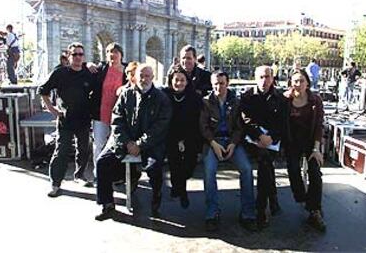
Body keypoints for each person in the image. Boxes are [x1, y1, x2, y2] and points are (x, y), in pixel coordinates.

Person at [95, 64, 172, 220]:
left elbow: (160, 127)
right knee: (102, 162)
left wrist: (140, 144)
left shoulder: (161, 98)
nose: (144, 79)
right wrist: (127, 142)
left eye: (148, 76)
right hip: (124, 142)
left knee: (155, 168)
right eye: (141, 76)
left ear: (153, 77)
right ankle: (107, 204)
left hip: (150, 145)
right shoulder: (126, 95)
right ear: (135, 77)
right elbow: (117, 120)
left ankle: (156, 202)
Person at [200, 70, 256, 232]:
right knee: (209, 170)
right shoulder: (205, 102)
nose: (218, 87)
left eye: (222, 83)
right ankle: (212, 212)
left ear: (227, 84)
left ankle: (247, 213)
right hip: (213, 141)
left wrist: (233, 143)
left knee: (246, 169)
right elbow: (203, 127)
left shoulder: (235, 101)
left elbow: (240, 127)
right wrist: (213, 144)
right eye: (215, 84)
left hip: (232, 141)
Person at [38, 42, 95, 197]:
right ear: (68, 56)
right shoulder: (60, 73)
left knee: (83, 150)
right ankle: (55, 183)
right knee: (61, 151)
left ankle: (79, 175)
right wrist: (51, 108)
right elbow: (43, 90)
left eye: (80, 54)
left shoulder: (88, 74)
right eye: (74, 54)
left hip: (83, 119)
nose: (77, 57)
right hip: (65, 119)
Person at [240, 65, 288, 230]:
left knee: (265, 160)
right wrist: (259, 136)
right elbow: (246, 121)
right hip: (252, 140)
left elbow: (282, 124)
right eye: (261, 77)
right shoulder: (247, 96)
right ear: (255, 78)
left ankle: (261, 207)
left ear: (272, 78)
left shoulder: (280, 98)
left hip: (272, 142)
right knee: (265, 159)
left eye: (267, 77)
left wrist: (271, 138)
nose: (264, 80)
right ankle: (269, 202)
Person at [284, 69, 326, 232]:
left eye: (301, 81)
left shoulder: (315, 100)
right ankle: (303, 198)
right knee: (293, 170)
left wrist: (316, 148)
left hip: (310, 142)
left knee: (315, 172)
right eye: (295, 81)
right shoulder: (285, 100)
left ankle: (314, 210)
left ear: (307, 82)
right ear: (291, 83)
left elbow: (319, 126)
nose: (298, 84)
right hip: (292, 142)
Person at [162, 65, 202, 209]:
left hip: (190, 135)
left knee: (189, 166)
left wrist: (184, 140)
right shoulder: (164, 95)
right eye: (176, 80)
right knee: (174, 162)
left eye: (182, 80)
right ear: (171, 80)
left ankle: (179, 185)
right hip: (170, 135)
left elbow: (197, 121)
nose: (179, 83)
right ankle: (181, 190)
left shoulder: (195, 97)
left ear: (187, 81)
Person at [89, 43, 128, 184]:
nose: (113, 54)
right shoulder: (101, 69)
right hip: (101, 113)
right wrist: (87, 64)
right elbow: (85, 70)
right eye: (109, 52)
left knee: (118, 145)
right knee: (99, 144)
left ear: (121, 54)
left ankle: (117, 175)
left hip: (120, 115)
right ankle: (98, 174)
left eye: (116, 52)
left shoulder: (128, 70)